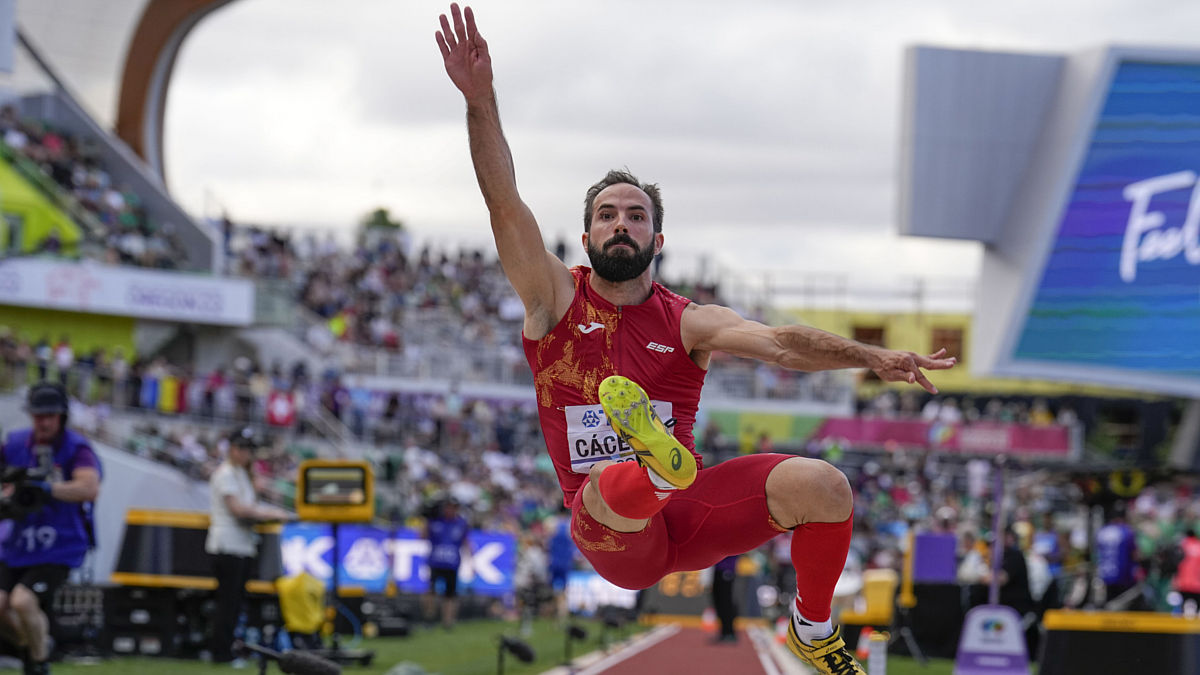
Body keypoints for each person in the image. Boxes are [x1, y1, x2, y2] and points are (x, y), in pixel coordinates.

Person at [435, 6, 956, 672]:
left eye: (636, 216)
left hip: (687, 518)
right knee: (607, 489)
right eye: (607, 215)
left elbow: (782, 344)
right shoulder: (552, 298)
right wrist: (480, 101)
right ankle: (652, 466)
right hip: (611, 530)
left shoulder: (689, 322)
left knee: (826, 486)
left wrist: (871, 356)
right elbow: (504, 204)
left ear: (657, 239)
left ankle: (813, 627)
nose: (621, 224)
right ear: (587, 235)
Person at [0, 382, 102, 675]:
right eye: (38, 415)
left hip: (59, 544)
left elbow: (89, 488)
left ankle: (39, 664)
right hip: (16, 543)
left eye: (49, 416)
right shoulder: (16, 444)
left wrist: (48, 489)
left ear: (61, 416)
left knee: (23, 601)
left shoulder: (76, 448)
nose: (43, 422)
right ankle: (32, 645)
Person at [206, 427, 292, 665]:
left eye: (249, 449)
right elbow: (239, 510)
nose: (246, 454)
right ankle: (221, 653)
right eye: (242, 448)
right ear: (232, 449)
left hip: (242, 545)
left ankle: (228, 649)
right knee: (228, 602)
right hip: (228, 545)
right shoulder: (225, 474)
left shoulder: (242, 474)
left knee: (234, 603)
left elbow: (249, 506)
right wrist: (271, 514)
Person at [423, 498, 471, 630]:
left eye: (453, 507)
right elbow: (422, 536)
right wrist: (426, 520)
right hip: (436, 561)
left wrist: (471, 560)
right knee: (431, 591)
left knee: (450, 594)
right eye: (448, 507)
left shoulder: (461, 523)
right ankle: (429, 618)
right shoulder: (435, 522)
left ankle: (448, 622)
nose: (450, 510)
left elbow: (466, 541)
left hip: (452, 563)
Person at [710, 555, 740, 644]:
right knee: (718, 601)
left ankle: (729, 632)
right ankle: (724, 631)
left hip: (726, 569)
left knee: (725, 602)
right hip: (718, 568)